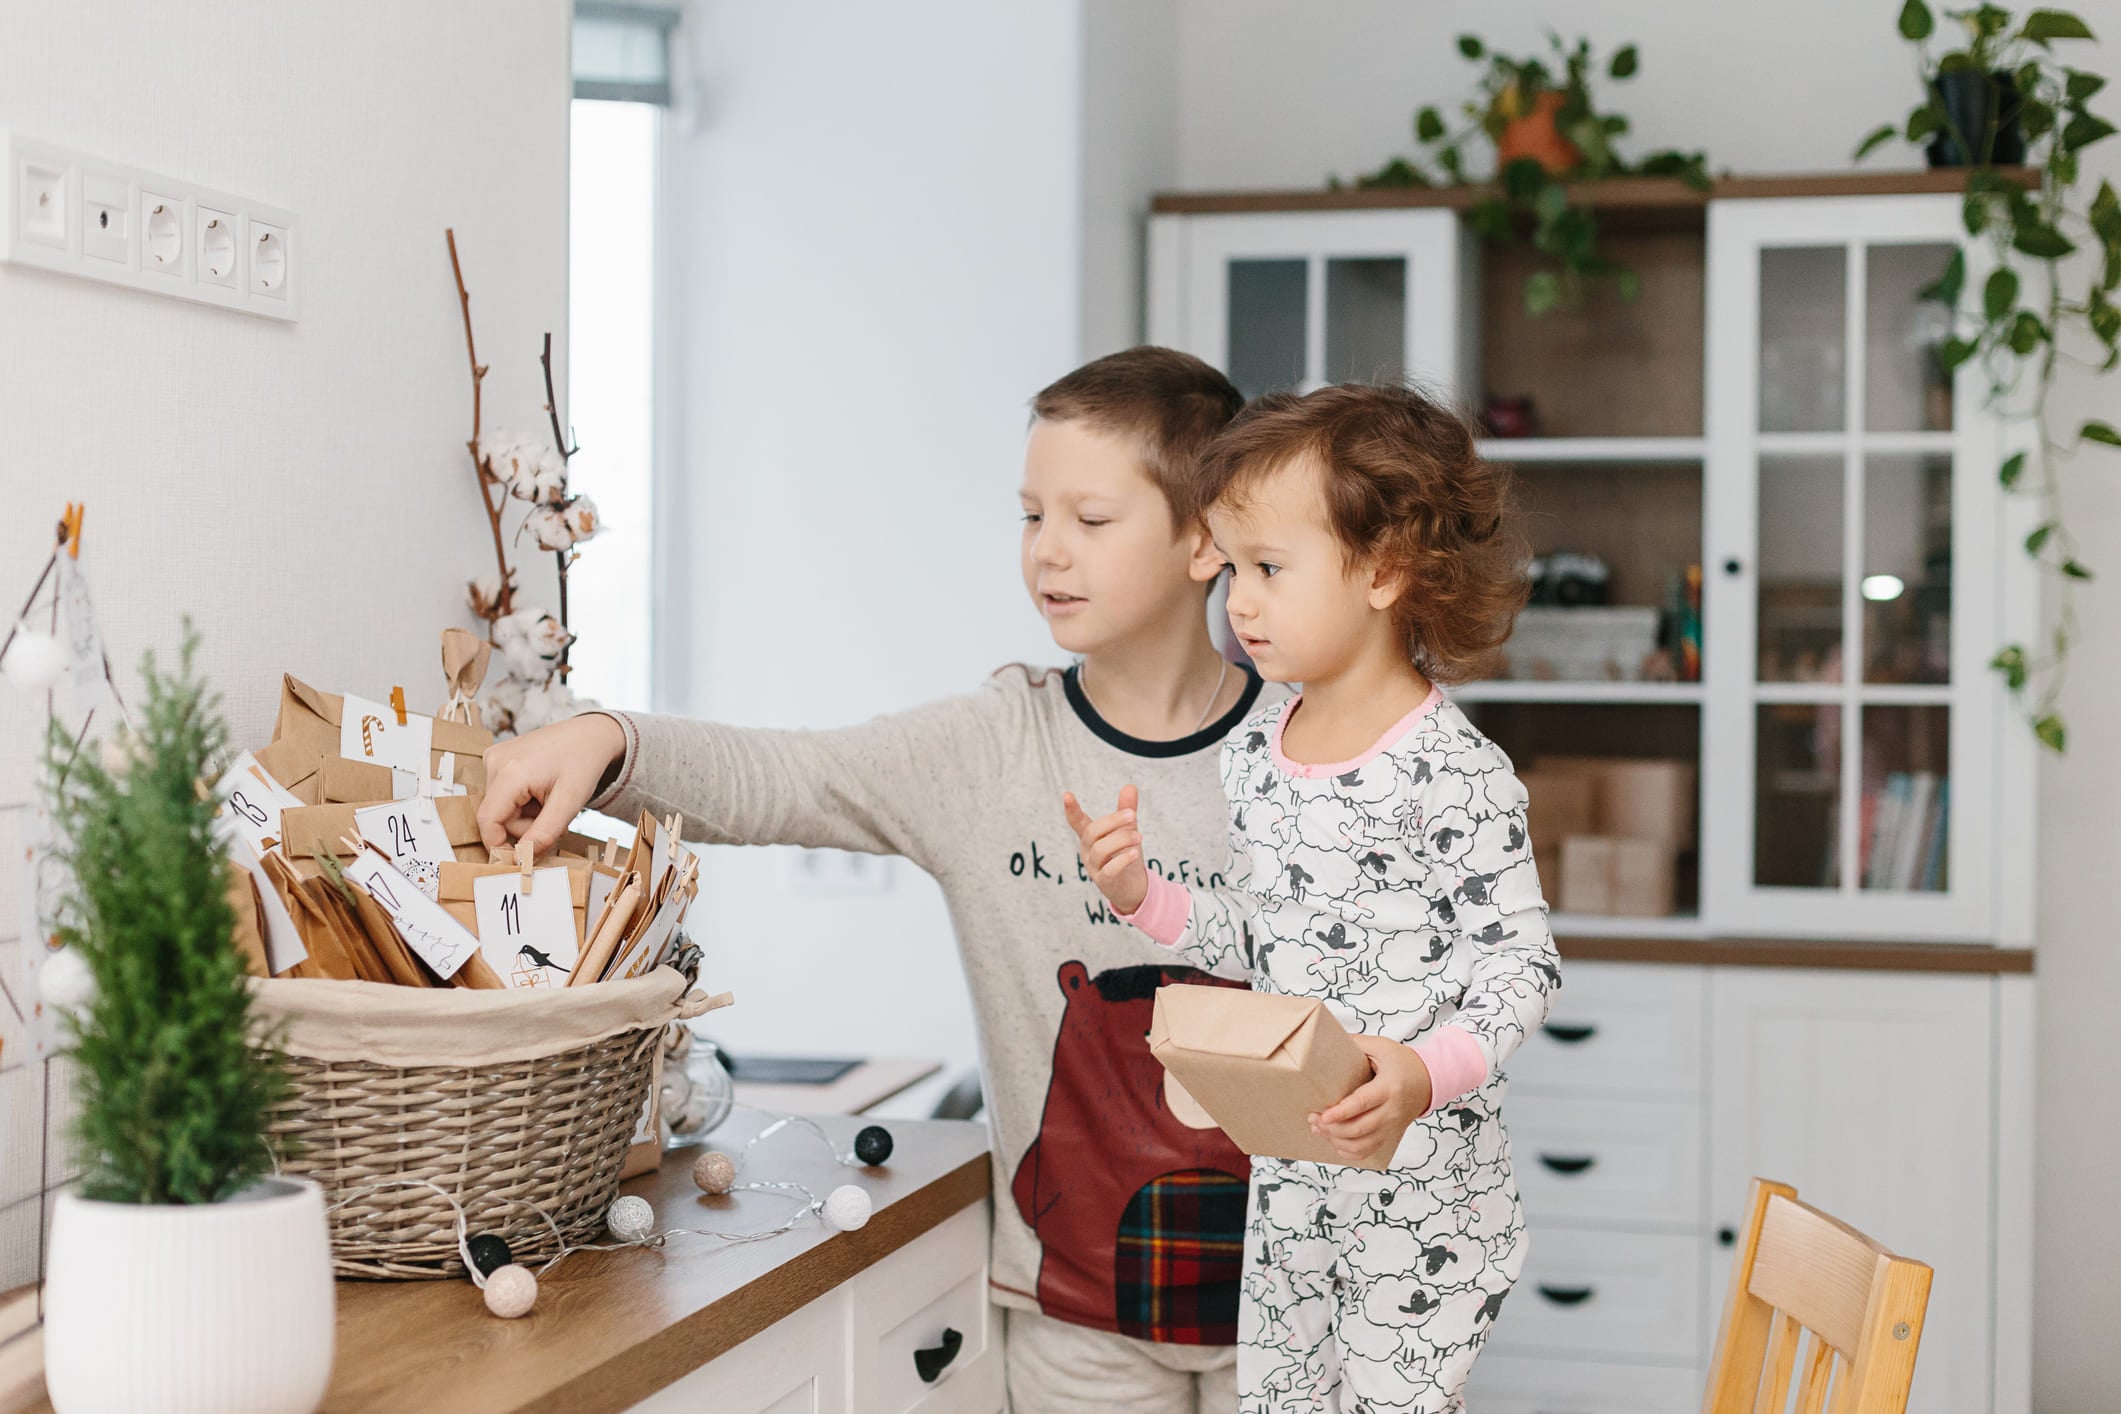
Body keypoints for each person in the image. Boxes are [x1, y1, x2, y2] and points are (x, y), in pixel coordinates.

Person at [477, 347, 1284, 1414]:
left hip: (1298, 1309)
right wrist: (609, 742)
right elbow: (791, 775)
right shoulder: (994, 748)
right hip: (1072, 1318)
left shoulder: (1312, 754)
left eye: (1090, 520)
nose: (1048, 551)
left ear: (1204, 539)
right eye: (1030, 514)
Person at [1065, 382, 1559, 1413]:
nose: (1237, 600)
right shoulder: (1257, 749)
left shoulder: (1455, 772)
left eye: (1270, 569)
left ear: (1384, 570)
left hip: (1421, 1203)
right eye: (1233, 568)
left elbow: (1520, 968)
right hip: (1293, 1193)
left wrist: (1423, 1073)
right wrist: (1141, 896)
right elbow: (1267, 940)